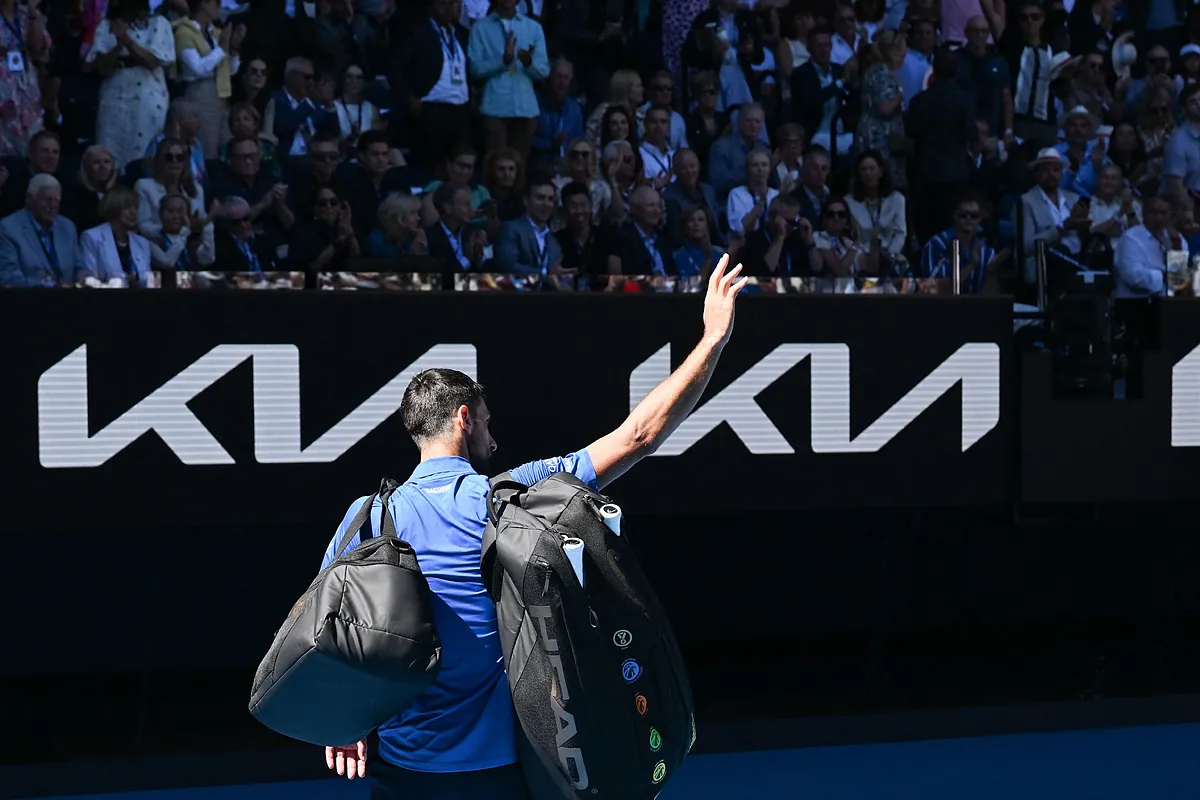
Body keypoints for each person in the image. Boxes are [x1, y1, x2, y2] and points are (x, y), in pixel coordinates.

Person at [321, 257, 749, 797]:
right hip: (501, 775)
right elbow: (638, 435)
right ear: (463, 419)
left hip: (399, 775)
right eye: (487, 421)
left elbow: (334, 635)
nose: (492, 439)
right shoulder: (509, 498)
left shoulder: (364, 518)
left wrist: (341, 722)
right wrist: (713, 339)